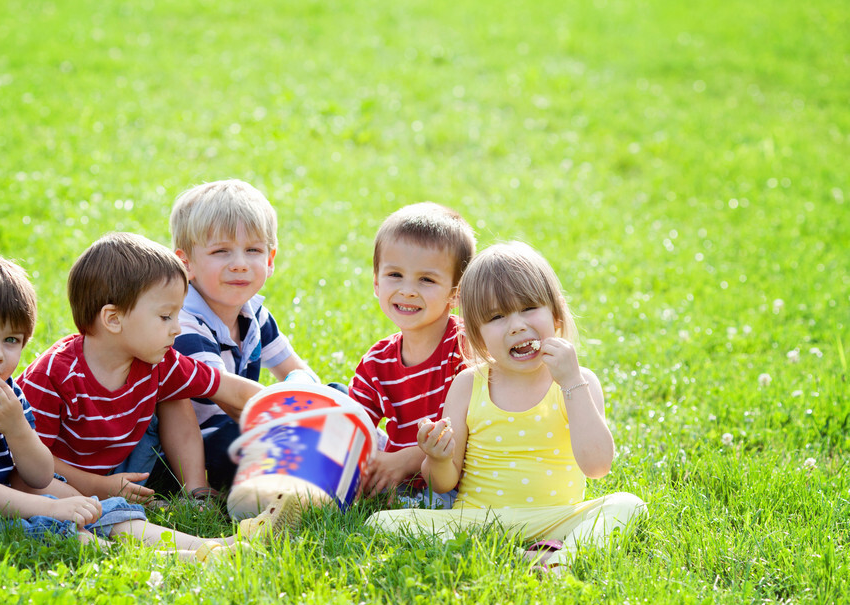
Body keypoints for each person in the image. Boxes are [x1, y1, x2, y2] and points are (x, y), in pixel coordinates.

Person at [0, 250, 277, 559]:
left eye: (11, 341)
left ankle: (206, 547)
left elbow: (37, 475)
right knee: (58, 527)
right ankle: (172, 561)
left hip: (5, 493)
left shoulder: (5, 392)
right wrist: (51, 508)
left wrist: (18, 429)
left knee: (98, 509)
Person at [366, 242, 646, 576]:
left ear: (556, 314)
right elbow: (443, 484)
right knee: (381, 522)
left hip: (554, 518)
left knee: (627, 505)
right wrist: (437, 458)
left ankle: (558, 559)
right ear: (477, 337)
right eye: (497, 317)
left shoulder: (577, 382)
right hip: (476, 521)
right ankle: (530, 557)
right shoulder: (469, 385)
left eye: (529, 309)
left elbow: (597, 466)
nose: (516, 325)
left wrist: (571, 382)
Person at [17, 232, 265, 507]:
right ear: (113, 319)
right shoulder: (52, 376)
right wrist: (99, 487)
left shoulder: (158, 360)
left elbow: (231, 389)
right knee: (45, 491)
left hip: (123, 462)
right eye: (165, 316)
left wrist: (295, 409)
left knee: (175, 389)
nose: (177, 328)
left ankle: (196, 489)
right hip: (55, 477)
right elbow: (25, 460)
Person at [169, 180, 322, 496]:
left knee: (336, 393)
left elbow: (297, 369)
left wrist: (306, 389)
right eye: (221, 251)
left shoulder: (254, 313)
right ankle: (301, 472)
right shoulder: (183, 324)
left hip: (256, 418)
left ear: (270, 258)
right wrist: (294, 412)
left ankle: (324, 461)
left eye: (253, 250)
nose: (239, 263)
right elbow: (233, 398)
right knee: (238, 441)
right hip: (205, 439)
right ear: (186, 263)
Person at [348, 202, 476, 508]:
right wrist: (367, 460)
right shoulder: (377, 362)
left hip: (453, 479)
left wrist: (406, 459)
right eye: (395, 275)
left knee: (439, 504)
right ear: (376, 283)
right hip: (399, 472)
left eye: (426, 280)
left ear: (456, 293)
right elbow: (355, 423)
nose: (407, 290)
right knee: (335, 406)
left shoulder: (466, 349)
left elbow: (477, 432)